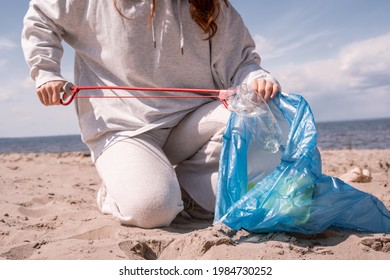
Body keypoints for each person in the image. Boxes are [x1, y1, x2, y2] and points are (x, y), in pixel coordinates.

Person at [21, 0, 287, 228]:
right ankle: (115, 192)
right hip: (123, 127)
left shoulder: (210, 5)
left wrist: (256, 79)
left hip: (191, 122)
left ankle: (184, 189)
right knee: (153, 209)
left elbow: (242, 62)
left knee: (260, 116)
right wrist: (45, 72)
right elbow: (41, 17)